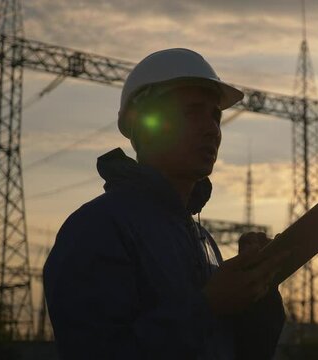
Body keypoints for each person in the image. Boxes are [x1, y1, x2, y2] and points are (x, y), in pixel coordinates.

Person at [43, 48, 287, 359]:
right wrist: (209, 306)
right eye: (193, 111)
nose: (212, 128)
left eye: (215, 115)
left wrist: (258, 296)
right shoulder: (97, 229)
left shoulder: (201, 240)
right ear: (144, 124)